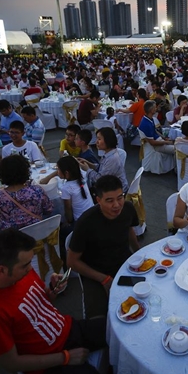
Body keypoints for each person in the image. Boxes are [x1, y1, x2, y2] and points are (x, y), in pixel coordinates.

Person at [0, 228, 126, 374]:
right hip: (49, 366)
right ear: (1, 270)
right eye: (25, 265)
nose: (30, 268)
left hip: (68, 329)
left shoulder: (21, 272)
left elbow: (42, 303)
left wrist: (52, 291)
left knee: (124, 328)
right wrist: (65, 357)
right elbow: (12, 364)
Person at [67, 175, 140, 317]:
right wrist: (103, 279)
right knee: (100, 316)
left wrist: (139, 254)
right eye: (109, 200)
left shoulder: (128, 208)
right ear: (98, 200)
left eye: (120, 197)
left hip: (124, 265)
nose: (117, 205)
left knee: (145, 297)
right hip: (95, 273)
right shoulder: (86, 222)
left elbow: (130, 230)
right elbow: (71, 262)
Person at [0, 155, 54, 230]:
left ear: (2, 175)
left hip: (12, 238)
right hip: (38, 236)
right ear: (26, 171)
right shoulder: (37, 191)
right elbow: (49, 210)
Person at [40, 156, 93, 243]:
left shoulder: (67, 188)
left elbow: (68, 209)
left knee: (61, 231)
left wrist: (69, 221)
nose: (57, 171)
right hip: (91, 214)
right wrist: (58, 173)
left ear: (67, 173)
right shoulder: (82, 176)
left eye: (58, 169)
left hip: (80, 222)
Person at [78, 127, 129, 193]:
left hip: (115, 191)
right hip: (109, 185)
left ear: (108, 140)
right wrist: (89, 164)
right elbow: (101, 168)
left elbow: (100, 180)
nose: (96, 142)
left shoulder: (112, 159)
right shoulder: (109, 153)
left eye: (99, 139)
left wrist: (87, 169)